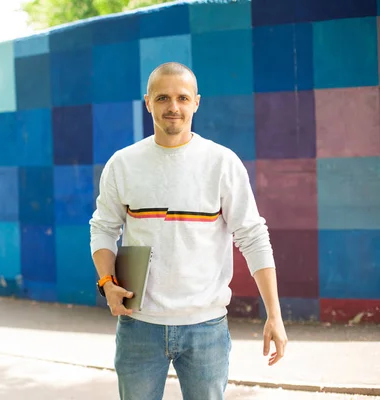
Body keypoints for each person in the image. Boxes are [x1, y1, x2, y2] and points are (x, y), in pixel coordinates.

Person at [89, 62, 288, 400]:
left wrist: (275, 315)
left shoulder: (221, 163)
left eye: (182, 98)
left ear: (196, 102)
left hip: (206, 327)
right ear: (148, 102)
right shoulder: (123, 164)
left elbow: (253, 237)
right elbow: (104, 229)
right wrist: (107, 282)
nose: (173, 107)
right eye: (163, 98)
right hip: (139, 325)